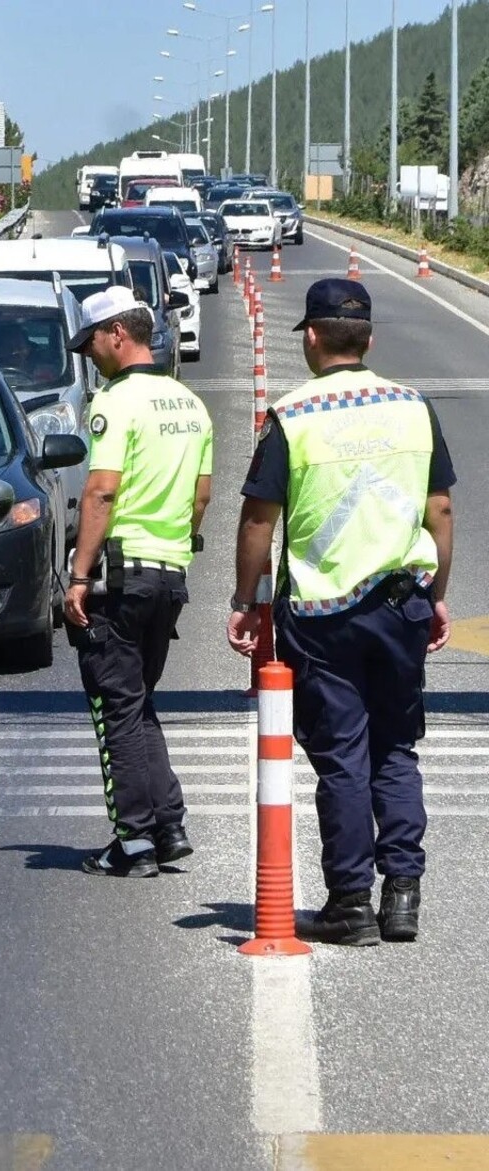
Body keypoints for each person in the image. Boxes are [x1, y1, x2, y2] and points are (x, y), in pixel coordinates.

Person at [227, 278, 455, 945]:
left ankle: (350, 902)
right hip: (402, 603)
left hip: (324, 614)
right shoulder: (414, 407)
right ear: (370, 338)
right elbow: (439, 509)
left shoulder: (293, 416)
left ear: (314, 336)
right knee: (396, 747)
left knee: (342, 755)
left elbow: (258, 520)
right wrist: (437, 593)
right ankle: (403, 895)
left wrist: (247, 600)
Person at [63, 286, 214, 877]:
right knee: (137, 700)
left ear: (117, 335)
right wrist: (172, 541)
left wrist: (79, 577)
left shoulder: (114, 402)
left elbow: (101, 490)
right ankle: (167, 825)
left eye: (92, 341)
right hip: (170, 575)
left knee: (114, 708)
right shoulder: (190, 404)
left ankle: (132, 842)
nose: (89, 354)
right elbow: (200, 498)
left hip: (120, 579)